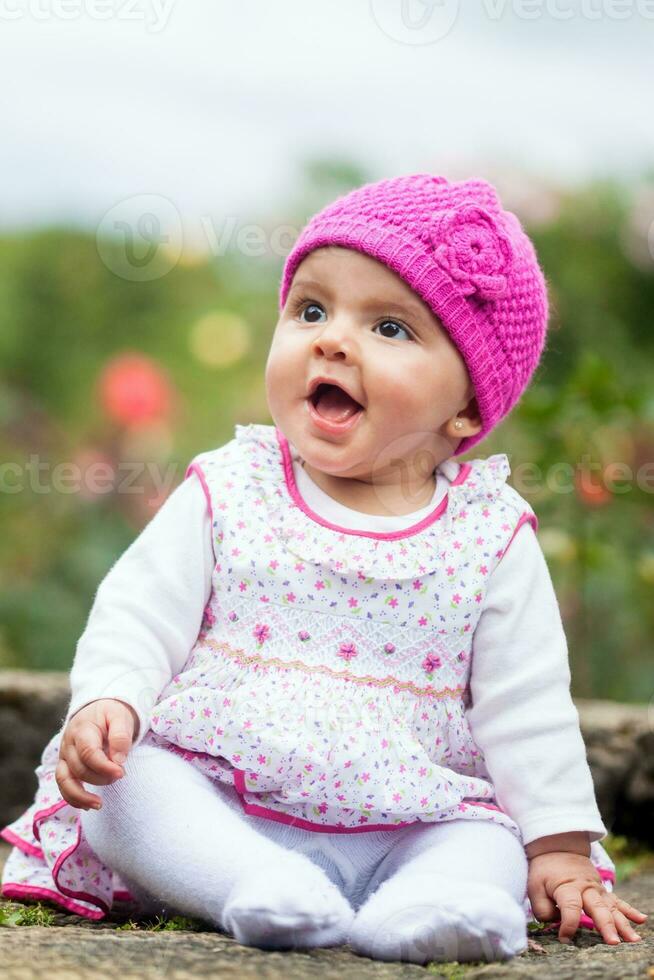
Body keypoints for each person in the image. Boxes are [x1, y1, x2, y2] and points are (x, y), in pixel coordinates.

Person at [1, 174, 647, 965]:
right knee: (126, 790)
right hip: (222, 800)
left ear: (469, 408)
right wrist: (112, 702)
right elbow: (140, 612)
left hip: (405, 816)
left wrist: (561, 849)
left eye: (390, 327)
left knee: (488, 844)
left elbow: (528, 706)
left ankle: (434, 903)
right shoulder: (231, 486)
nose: (333, 340)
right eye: (311, 310)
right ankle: (253, 885)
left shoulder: (491, 537)